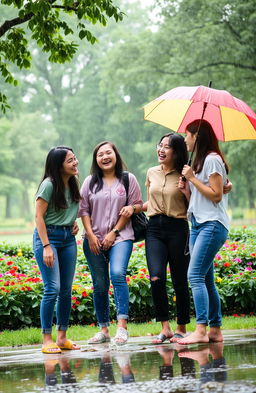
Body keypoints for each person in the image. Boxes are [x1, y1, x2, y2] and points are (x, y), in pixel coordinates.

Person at [78, 141, 143, 344]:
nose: (105, 157)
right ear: (96, 160)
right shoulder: (89, 181)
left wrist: (114, 232)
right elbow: (83, 210)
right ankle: (104, 330)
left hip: (121, 237)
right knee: (99, 284)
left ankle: (122, 327)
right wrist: (90, 235)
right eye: (100, 154)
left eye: (108, 153)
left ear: (116, 155)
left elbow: (135, 205)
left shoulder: (127, 179)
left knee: (117, 274)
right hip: (93, 239)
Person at [177, 119, 230, 345]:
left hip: (212, 224)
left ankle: (200, 329)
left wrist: (191, 179)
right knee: (206, 280)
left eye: (187, 135)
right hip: (198, 223)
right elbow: (201, 199)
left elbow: (216, 195)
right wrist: (187, 189)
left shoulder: (212, 159)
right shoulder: (200, 163)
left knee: (194, 275)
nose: (185, 139)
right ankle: (215, 330)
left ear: (196, 136)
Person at [142, 133, 191, 343]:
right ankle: (165, 327)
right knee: (156, 277)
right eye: (159, 145)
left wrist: (186, 190)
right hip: (154, 229)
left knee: (180, 280)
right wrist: (133, 208)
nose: (161, 150)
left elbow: (195, 206)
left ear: (177, 151)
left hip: (178, 228)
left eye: (167, 147)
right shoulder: (151, 172)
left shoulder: (186, 174)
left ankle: (181, 327)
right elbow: (151, 201)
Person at [33, 146, 81, 354]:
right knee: (52, 288)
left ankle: (62, 337)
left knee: (65, 291)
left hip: (68, 239)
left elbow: (67, 212)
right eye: (70, 160)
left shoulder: (71, 183)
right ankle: (46, 339)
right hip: (48, 238)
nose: (75, 162)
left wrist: (72, 223)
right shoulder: (49, 185)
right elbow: (38, 217)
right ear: (58, 165)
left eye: (74, 158)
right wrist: (46, 246)